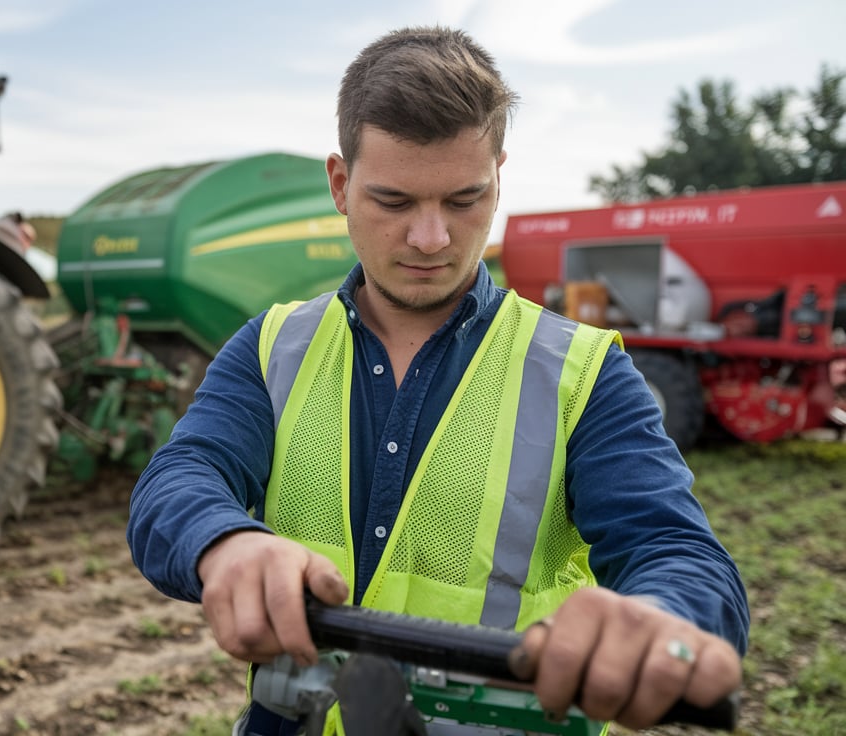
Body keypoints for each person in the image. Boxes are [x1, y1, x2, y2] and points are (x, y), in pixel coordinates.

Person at [125, 25, 748, 735]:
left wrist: (657, 621)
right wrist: (222, 540)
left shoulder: (584, 373)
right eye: (394, 202)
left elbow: (679, 552)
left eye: (463, 201)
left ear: (498, 179)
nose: (431, 239)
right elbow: (179, 477)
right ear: (340, 184)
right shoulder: (271, 348)